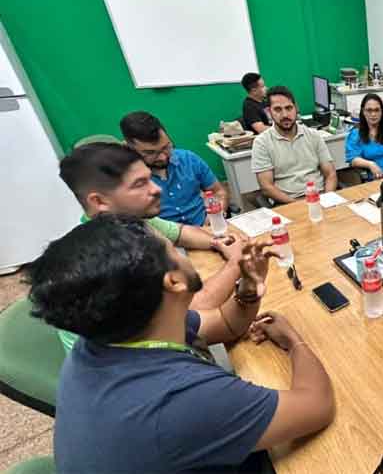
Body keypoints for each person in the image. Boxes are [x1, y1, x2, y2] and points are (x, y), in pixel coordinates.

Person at [28, 214, 334, 473]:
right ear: (173, 282)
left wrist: (248, 288)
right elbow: (317, 406)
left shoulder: (111, 335)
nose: (179, 249)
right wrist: (294, 341)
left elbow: (225, 324)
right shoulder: (179, 400)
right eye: (171, 247)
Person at [58, 142, 245, 351]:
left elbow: (181, 232)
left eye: (149, 178)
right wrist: (237, 262)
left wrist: (218, 241)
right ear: (99, 201)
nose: (156, 189)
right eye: (140, 184)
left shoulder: (130, 220)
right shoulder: (116, 256)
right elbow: (194, 308)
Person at [121, 111, 226, 226]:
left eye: (166, 147)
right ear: (130, 148)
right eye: (150, 153)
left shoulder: (188, 159)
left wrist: (215, 216)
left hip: (207, 228)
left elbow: (218, 192)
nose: (162, 157)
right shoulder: (126, 178)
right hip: (166, 240)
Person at [252, 86, 338, 204]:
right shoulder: (262, 142)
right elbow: (267, 187)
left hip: (320, 197)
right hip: (288, 202)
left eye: (289, 108)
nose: (285, 115)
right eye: (277, 109)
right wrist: (298, 205)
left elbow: (330, 173)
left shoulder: (313, 135)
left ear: (296, 108)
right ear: (268, 112)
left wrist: (328, 200)